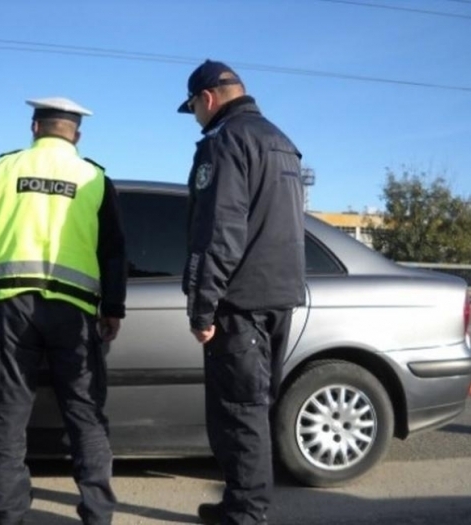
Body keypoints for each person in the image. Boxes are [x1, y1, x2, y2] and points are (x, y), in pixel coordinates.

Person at [0, 96, 127, 525]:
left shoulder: (1, 169)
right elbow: (113, 251)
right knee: (84, 412)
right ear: (77, 135)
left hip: (12, 306)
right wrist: (113, 308)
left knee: (8, 411)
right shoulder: (94, 177)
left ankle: (9, 513)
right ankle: (98, 514)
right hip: (74, 310)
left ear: (35, 128)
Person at [177, 60, 306, 525]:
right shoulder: (282, 142)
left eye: (193, 107)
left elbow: (219, 230)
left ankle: (247, 515)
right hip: (279, 296)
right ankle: (240, 504)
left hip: (241, 302)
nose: (195, 117)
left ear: (207, 98)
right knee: (254, 407)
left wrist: (202, 306)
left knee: (238, 412)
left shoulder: (225, 141)